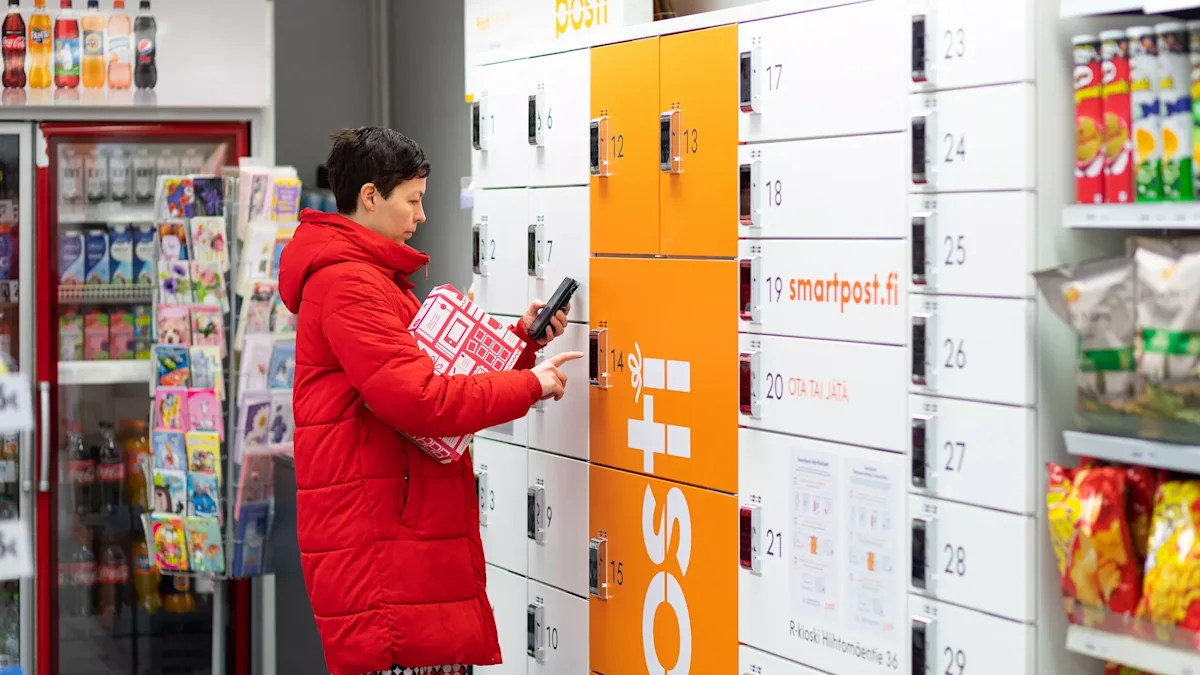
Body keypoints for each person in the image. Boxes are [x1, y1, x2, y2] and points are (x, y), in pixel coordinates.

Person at [277, 127, 582, 675]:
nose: (420, 216)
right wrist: (530, 385)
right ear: (370, 197)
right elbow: (421, 401)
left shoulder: (369, 277)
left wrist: (521, 342)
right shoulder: (350, 284)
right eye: (412, 200)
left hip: (396, 532)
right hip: (383, 541)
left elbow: (433, 374)